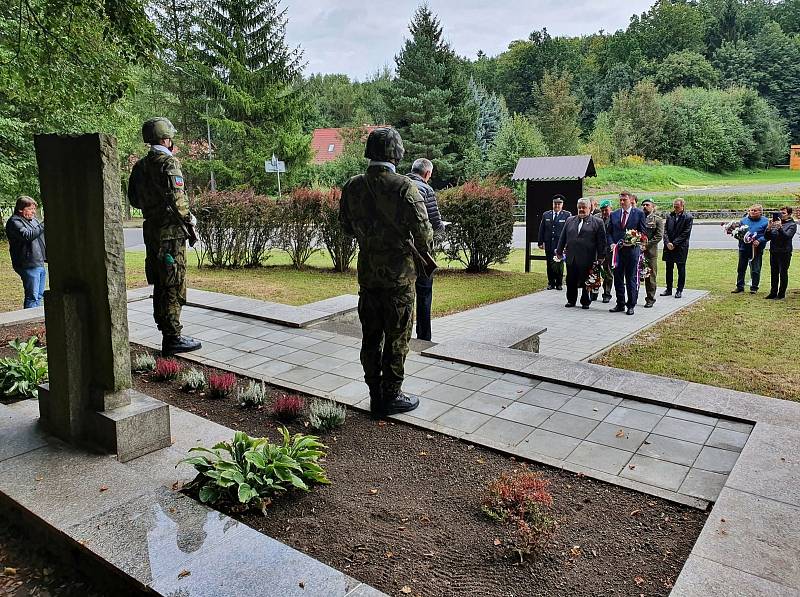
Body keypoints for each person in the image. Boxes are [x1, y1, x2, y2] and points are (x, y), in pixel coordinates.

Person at [340, 127, 433, 417]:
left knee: (371, 336)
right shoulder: (405, 187)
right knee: (397, 337)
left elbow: (345, 227)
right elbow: (424, 237)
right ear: (396, 153)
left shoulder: (352, 186)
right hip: (398, 279)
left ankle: (373, 392)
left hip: (368, 276)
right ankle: (391, 395)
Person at [127, 117, 202, 356]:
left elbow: (134, 200)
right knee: (173, 283)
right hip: (170, 234)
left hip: (152, 232)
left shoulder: (139, 167)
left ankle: (166, 330)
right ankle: (173, 337)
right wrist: (190, 220)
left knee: (160, 282)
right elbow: (179, 202)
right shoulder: (168, 163)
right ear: (166, 139)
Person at [406, 158, 445, 342]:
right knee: (424, 293)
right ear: (427, 174)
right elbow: (435, 223)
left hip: (400, 250)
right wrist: (442, 230)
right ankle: (423, 337)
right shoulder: (426, 189)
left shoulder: (400, 184)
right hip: (421, 252)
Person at [555, 198, 607, 309]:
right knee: (571, 280)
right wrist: (559, 251)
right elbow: (563, 237)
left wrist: (601, 256)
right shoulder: (570, 220)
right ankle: (571, 300)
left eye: (584, 207)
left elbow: (601, 241)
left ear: (590, 208)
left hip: (588, 257)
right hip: (572, 256)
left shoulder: (597, 222)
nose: (581, 210)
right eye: (579, 207)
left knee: (586, 281)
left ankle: (585, 301)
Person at [607, 192, 647, 315]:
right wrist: (612, 243)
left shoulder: (639, 214)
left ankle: (631, 305)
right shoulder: (614, 214)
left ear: (631, 200)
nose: (622, 202)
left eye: (624, 200)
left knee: (630, 279)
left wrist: (633, 241)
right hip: (617, 253)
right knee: (618, 279)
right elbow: (609, 232)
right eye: (620, 200)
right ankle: (620, 303)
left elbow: (643, 233)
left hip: (631, 252)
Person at [5, 196, 46, 309]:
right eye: (30, 209)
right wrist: (43, 224)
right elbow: (27, 235)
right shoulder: (14, 222)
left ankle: (36, 320)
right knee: (32, 296)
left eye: (34, 209)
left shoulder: (32, 220)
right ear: (20, 209)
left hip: (39, 262)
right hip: (27, 264)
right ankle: (30, 320)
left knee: (39, 295)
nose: (33, 212)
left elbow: (40, 238)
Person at [732, 204, 769, 294]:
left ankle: (754, 287)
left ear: (760, 212)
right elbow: (739, 233)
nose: (752, 212)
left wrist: (759, 241)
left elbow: (768, 235)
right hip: (743, 247)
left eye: (755, 210)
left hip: (756, 248)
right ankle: (740, 286)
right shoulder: (744, 220)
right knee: (741, 268)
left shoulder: (765, 221)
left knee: (755, 268)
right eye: (751, 210)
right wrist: (737, 235)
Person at [661, 198, 693, 299]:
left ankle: (679, 290)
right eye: (674, 206)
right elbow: (665, 231)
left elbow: (686, 233)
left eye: (677, 206)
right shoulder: (670, 216)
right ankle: (669, 288)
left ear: (682, 206)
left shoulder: (688, 217)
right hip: (668, 246)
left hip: (680, 247)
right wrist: (667, 242)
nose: (675, 208)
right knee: (669, 268)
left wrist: (674, 243)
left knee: (681, 268)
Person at [538, 196, 570, 290]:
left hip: (560, 244)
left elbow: (569, 231)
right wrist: (540, 242)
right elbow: (542, 229)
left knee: (559, 264)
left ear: (562, 205)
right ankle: (551, 283)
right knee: (549, 264)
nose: (557, 205)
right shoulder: (546, 215)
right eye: (555, 203)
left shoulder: (567, 215)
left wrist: (567, 244)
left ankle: (559, 283)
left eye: (559, 204)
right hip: (549, 244)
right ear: (553, 204)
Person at [764, 206, 797, 300]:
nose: (781, 215)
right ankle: (773, 292)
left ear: (789, 214)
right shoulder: (775, 223)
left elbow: (787, 236)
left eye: (784, 213)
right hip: (774, 251)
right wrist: (769, 228)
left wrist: (780, 228)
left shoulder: (792, 225)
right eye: (780, 213)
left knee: (783, 272)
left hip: (784, 252)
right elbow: (767, 238)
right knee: (774, 273)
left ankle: (781, 293)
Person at [641, 199, 664, 308]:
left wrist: (646, 245)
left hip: (650, 253)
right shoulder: (638, 218)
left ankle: (650, 299)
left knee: (650, 277)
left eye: (647, 205)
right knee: (635, 276)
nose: (645, 206)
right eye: (643, 205)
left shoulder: (657, 220)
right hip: (637, 252)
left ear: (652, 207)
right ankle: (633, 297)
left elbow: (659, 236)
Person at [599, 200, 614, 303]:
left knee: (608, 272)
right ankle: (593, 291)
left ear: (610, 209)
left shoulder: (614, 218)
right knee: (594, 270)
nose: (604, 212)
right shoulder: (597, 218)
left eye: (606, 210)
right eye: (602, 210)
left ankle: (607, 293)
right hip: (597, 249)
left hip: (609, 250)